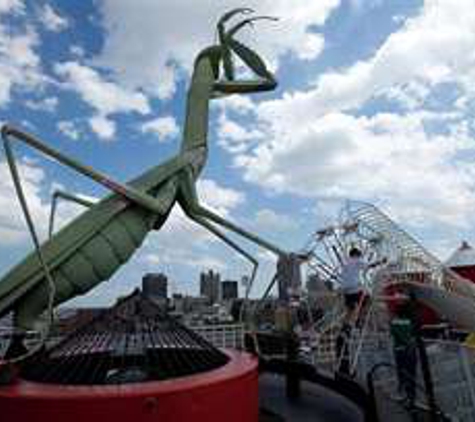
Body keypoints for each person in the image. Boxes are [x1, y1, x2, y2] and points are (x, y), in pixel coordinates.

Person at [390, 294, 418, 408]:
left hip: (400, 350)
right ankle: (412, 399)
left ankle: (404, 397)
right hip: (411, 351)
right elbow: (412, 334)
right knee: (412, 375)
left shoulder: (394, 322)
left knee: (402, 375)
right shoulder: (410, 321)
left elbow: (395, 333)